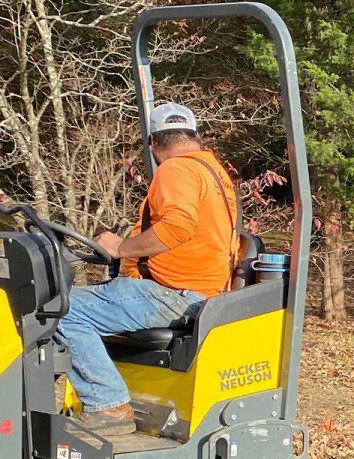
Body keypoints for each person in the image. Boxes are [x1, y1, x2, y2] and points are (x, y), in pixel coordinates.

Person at [58, 102, 240, 436]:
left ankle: (108, 405)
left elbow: (177, 228)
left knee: (59, 309)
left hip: (173, 294)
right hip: (196, 291)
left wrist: (121, 247)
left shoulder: (176, 169)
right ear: (193, 135)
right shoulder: (211, 170)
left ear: (153, 144)